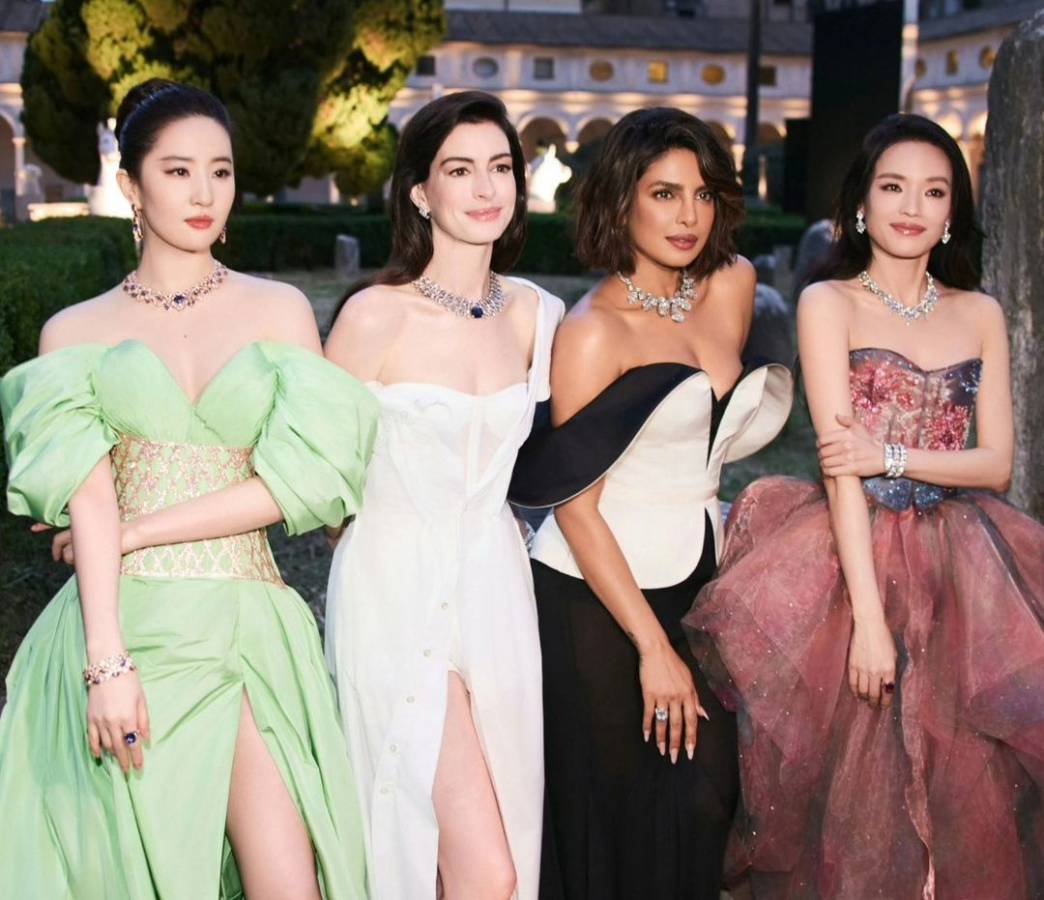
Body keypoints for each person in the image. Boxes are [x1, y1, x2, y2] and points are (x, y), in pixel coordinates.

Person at [0, 79, 376, 899]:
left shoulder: (279, 309)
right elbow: (90, 499)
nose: (204, 193)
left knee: (292, 886)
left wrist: (135, 532)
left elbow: (299, 480)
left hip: (250, 626)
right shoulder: (74, 330)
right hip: (125, 626)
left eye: (221, 171)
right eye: (177, 171)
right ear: (131, 185)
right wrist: (106, 666)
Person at [684, 113, 1044, 898]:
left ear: (953, 213)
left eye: (935, 191)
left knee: (965, 789)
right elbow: (840, 471)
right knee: (853, 799)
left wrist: (891, 455)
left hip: (961, 561)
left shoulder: (979, 312)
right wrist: (871, 621)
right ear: (860, 203)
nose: (912, 206)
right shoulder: (828, 302)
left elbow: (995, 464)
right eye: (893, 187)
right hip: (847, 558)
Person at [508, 107, 793, 900]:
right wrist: (652, 648)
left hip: (698, 573)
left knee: (707, 802)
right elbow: (576, 508)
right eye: (664, 194)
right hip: (594, 594)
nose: (687, 215)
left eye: (701, 194)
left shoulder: (732, 285)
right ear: (621, 200)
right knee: (620, 820)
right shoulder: (593, 331)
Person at [322, 91, 564, 900]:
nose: (486, 188)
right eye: (460, 170)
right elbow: (318, 479)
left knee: (501, 837)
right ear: (421, 193)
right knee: (480, 869)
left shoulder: (536, 315)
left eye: (500, 167)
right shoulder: (373, 317)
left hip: (498, 589)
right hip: (393, 588)